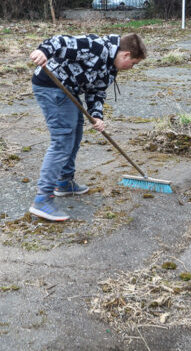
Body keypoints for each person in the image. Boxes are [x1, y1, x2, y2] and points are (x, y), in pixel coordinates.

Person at [28, 33, 147, 221]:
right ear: (126, 55)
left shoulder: (111, 65)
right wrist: (43, 51)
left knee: (75, 134)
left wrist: (97, 115)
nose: (132, 68)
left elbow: (97, 90)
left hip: (70, 90)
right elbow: (60, 41)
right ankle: (42, 199)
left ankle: (64, 182)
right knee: (63, 141)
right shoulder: (95, 46)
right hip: (52, 86)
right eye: (133, 63)